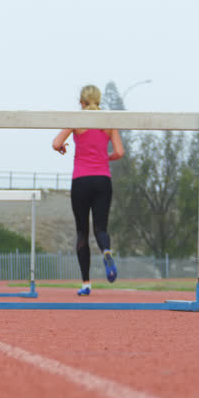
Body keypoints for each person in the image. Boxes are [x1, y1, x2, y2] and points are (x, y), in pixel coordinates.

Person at [52, 84, 124, 296]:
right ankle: (107, 251)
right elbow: (119, 151)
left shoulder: (76, 119)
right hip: (103, 179)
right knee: (100, 228)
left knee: (82, 232)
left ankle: (86, 283)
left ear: (81, 102)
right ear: (99, 101)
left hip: (81, 180)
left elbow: (56, 142)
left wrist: (62, 147)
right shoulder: (108, 122)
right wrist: (106, 157)